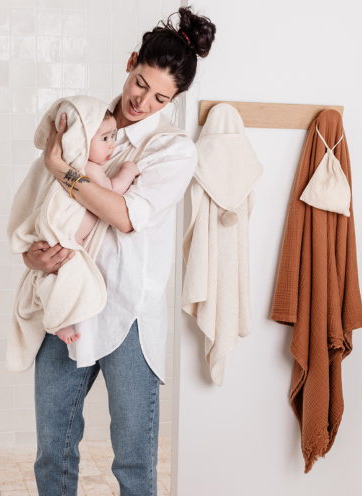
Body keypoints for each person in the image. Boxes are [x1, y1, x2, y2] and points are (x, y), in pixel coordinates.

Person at [22, 7, 216, 495]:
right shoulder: (83, 127)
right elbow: (35, 217)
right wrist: (34, 258)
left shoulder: (173, 150)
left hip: (130, 315)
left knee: (132, 465)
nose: (143, 102)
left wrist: (62, 168)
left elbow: (126, 215)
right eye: (140, 83)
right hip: (68, 304)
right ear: (131, 62)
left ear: (175, 99)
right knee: (53, 454)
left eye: (160, 97)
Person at [55, 109, 140, 345]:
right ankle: (61, 319)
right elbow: (111, 191)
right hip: (70, 238)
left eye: (113, 137)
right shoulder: (88, 168)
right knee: (72, 280)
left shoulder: (73, 166)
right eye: (104, 139)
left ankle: (60, 316)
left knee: (61, 279)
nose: (112, 145)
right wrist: (128, 171)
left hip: (66, 238)